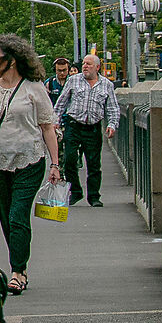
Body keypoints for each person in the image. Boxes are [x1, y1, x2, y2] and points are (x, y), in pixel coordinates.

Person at [0, 35, 61, 294]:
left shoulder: (34, 88)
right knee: (6, 218)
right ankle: (19, 265)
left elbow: (47, 128)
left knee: (18, 216)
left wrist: (55, 164)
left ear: (12, 61)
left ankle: (18, 271)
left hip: (29, 160)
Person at [54, 52, 121, 208]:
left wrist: (112, 125)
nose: (85, 66)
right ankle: (75, 191)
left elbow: (113, 108)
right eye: (84, 63)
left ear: (97, 67)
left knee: (93, 164)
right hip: (74, 125)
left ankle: (94, 196)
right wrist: (55, 121)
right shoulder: (73, 81)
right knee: (70, 160)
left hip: (93, 128)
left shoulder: (106, 85)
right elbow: (61, 102)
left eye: (89, 64)